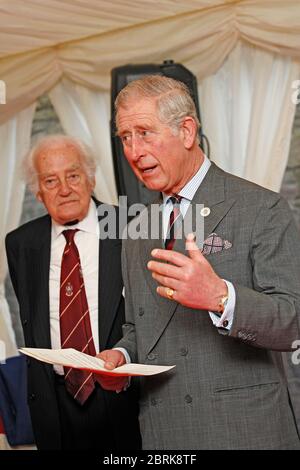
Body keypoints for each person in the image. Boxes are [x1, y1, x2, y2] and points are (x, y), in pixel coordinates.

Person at [98, 75, 300, 450]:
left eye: (144, 132)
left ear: (187, 131)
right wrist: (120, 359)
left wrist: (221, 297)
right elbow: (139, 327)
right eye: (125, 137)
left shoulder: (261, 208)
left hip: (243, 432)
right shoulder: (137, 229)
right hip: (163, 435)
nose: (133, 150)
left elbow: (294, 321)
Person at [5, 135, 141, 450]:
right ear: (38, 193)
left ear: (91, 178)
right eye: (50, 181)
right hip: (54, 404)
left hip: (123, 397)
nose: (64, 189)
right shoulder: (22, 243)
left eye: (73, 175)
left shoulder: (132, 226)